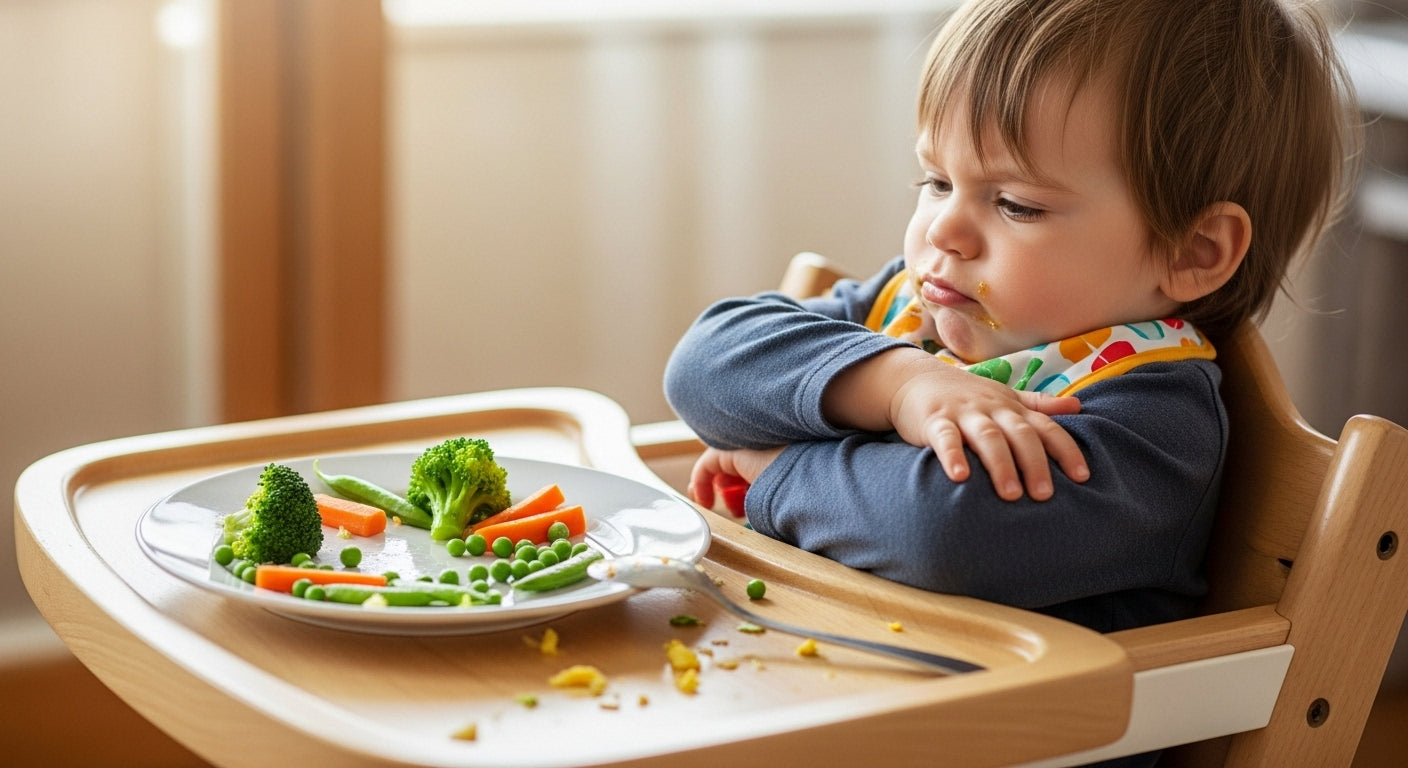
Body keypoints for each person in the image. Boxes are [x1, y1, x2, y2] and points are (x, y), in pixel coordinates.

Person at [664, 0, 1356, 636]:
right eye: (936, 182)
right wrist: (900, 385)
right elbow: (704, 362)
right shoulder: (913, 313)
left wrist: (768, 463)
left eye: (1016, 204)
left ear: (1193, 252)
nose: (944, 231)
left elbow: (937, 530)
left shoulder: (1150, 421)